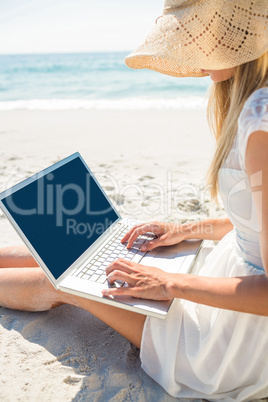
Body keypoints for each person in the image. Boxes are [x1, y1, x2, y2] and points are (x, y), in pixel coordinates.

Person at [0, 0, 268, 399]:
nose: (196, 63)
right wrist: (186, 229)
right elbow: (256, 223)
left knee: (65, 281)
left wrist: (169, 283)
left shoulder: (258, 120)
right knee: (84, 252)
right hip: (226, 281)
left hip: (233, 341)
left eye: (199, 40)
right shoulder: (253, 104)